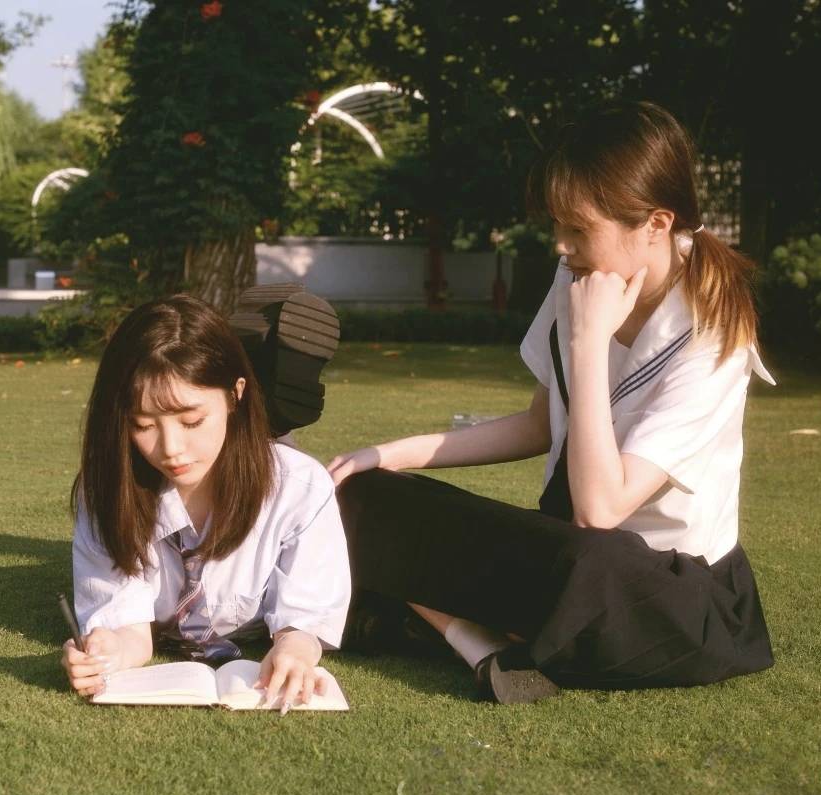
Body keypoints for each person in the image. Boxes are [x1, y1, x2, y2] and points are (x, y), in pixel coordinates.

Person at [327, 101, 775, 703]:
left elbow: (600, 510)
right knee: (359, 495)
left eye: (579, 229)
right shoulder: (578, 278)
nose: (562, 246)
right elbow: (539, 425)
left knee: (589, 568)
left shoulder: (713, 338)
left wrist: (589, 343)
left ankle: (426, 614)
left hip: (667, 591)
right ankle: (474, 639)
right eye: (558, 226)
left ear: (656, 223)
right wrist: (388, 454)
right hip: (560, 548)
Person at [61, 294, 352, 711]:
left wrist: (295, 649)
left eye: (192, 421)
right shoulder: (109, 491)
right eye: (142, 425)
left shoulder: (300, 487)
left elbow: (305, 617)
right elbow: (130, 633)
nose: (171, 449)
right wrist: (105, 652)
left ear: (235, 394)